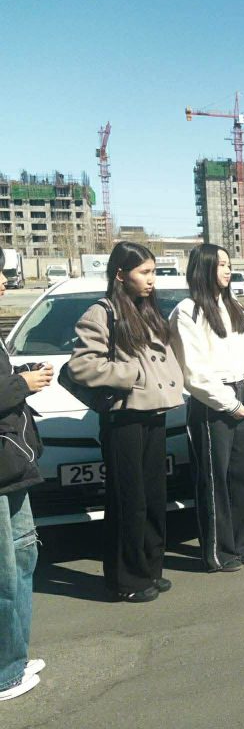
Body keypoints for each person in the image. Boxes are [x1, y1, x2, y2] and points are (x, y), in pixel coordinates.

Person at [68, 242, 184, 601]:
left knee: (153, 498)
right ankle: (127, 580)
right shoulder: (102, 312)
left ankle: (150, 568)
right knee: (128, 501)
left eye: (153, 271)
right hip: (124, 419)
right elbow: (81, 365)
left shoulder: (147, 310)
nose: (151, 279)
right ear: (121, 274)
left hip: (154, 415)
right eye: (143, 272)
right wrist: (132, 374)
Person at [170, 244, 244, 572]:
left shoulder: (233, 306)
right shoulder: (187, 311)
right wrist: (229, 404)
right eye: (221, 265)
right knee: (214, 481)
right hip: (211, 403)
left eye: (229, 264)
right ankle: (219, 552)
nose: (228, 271)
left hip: (243, 396)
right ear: (203, 269)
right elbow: (194, 371)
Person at [0, 247, 49, 701]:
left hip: (13, 462)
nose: (2, 282)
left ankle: (15, 654)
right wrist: (21, 384)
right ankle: (4, 672)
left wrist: (21, 377)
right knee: (4, 572)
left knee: (23, 556)